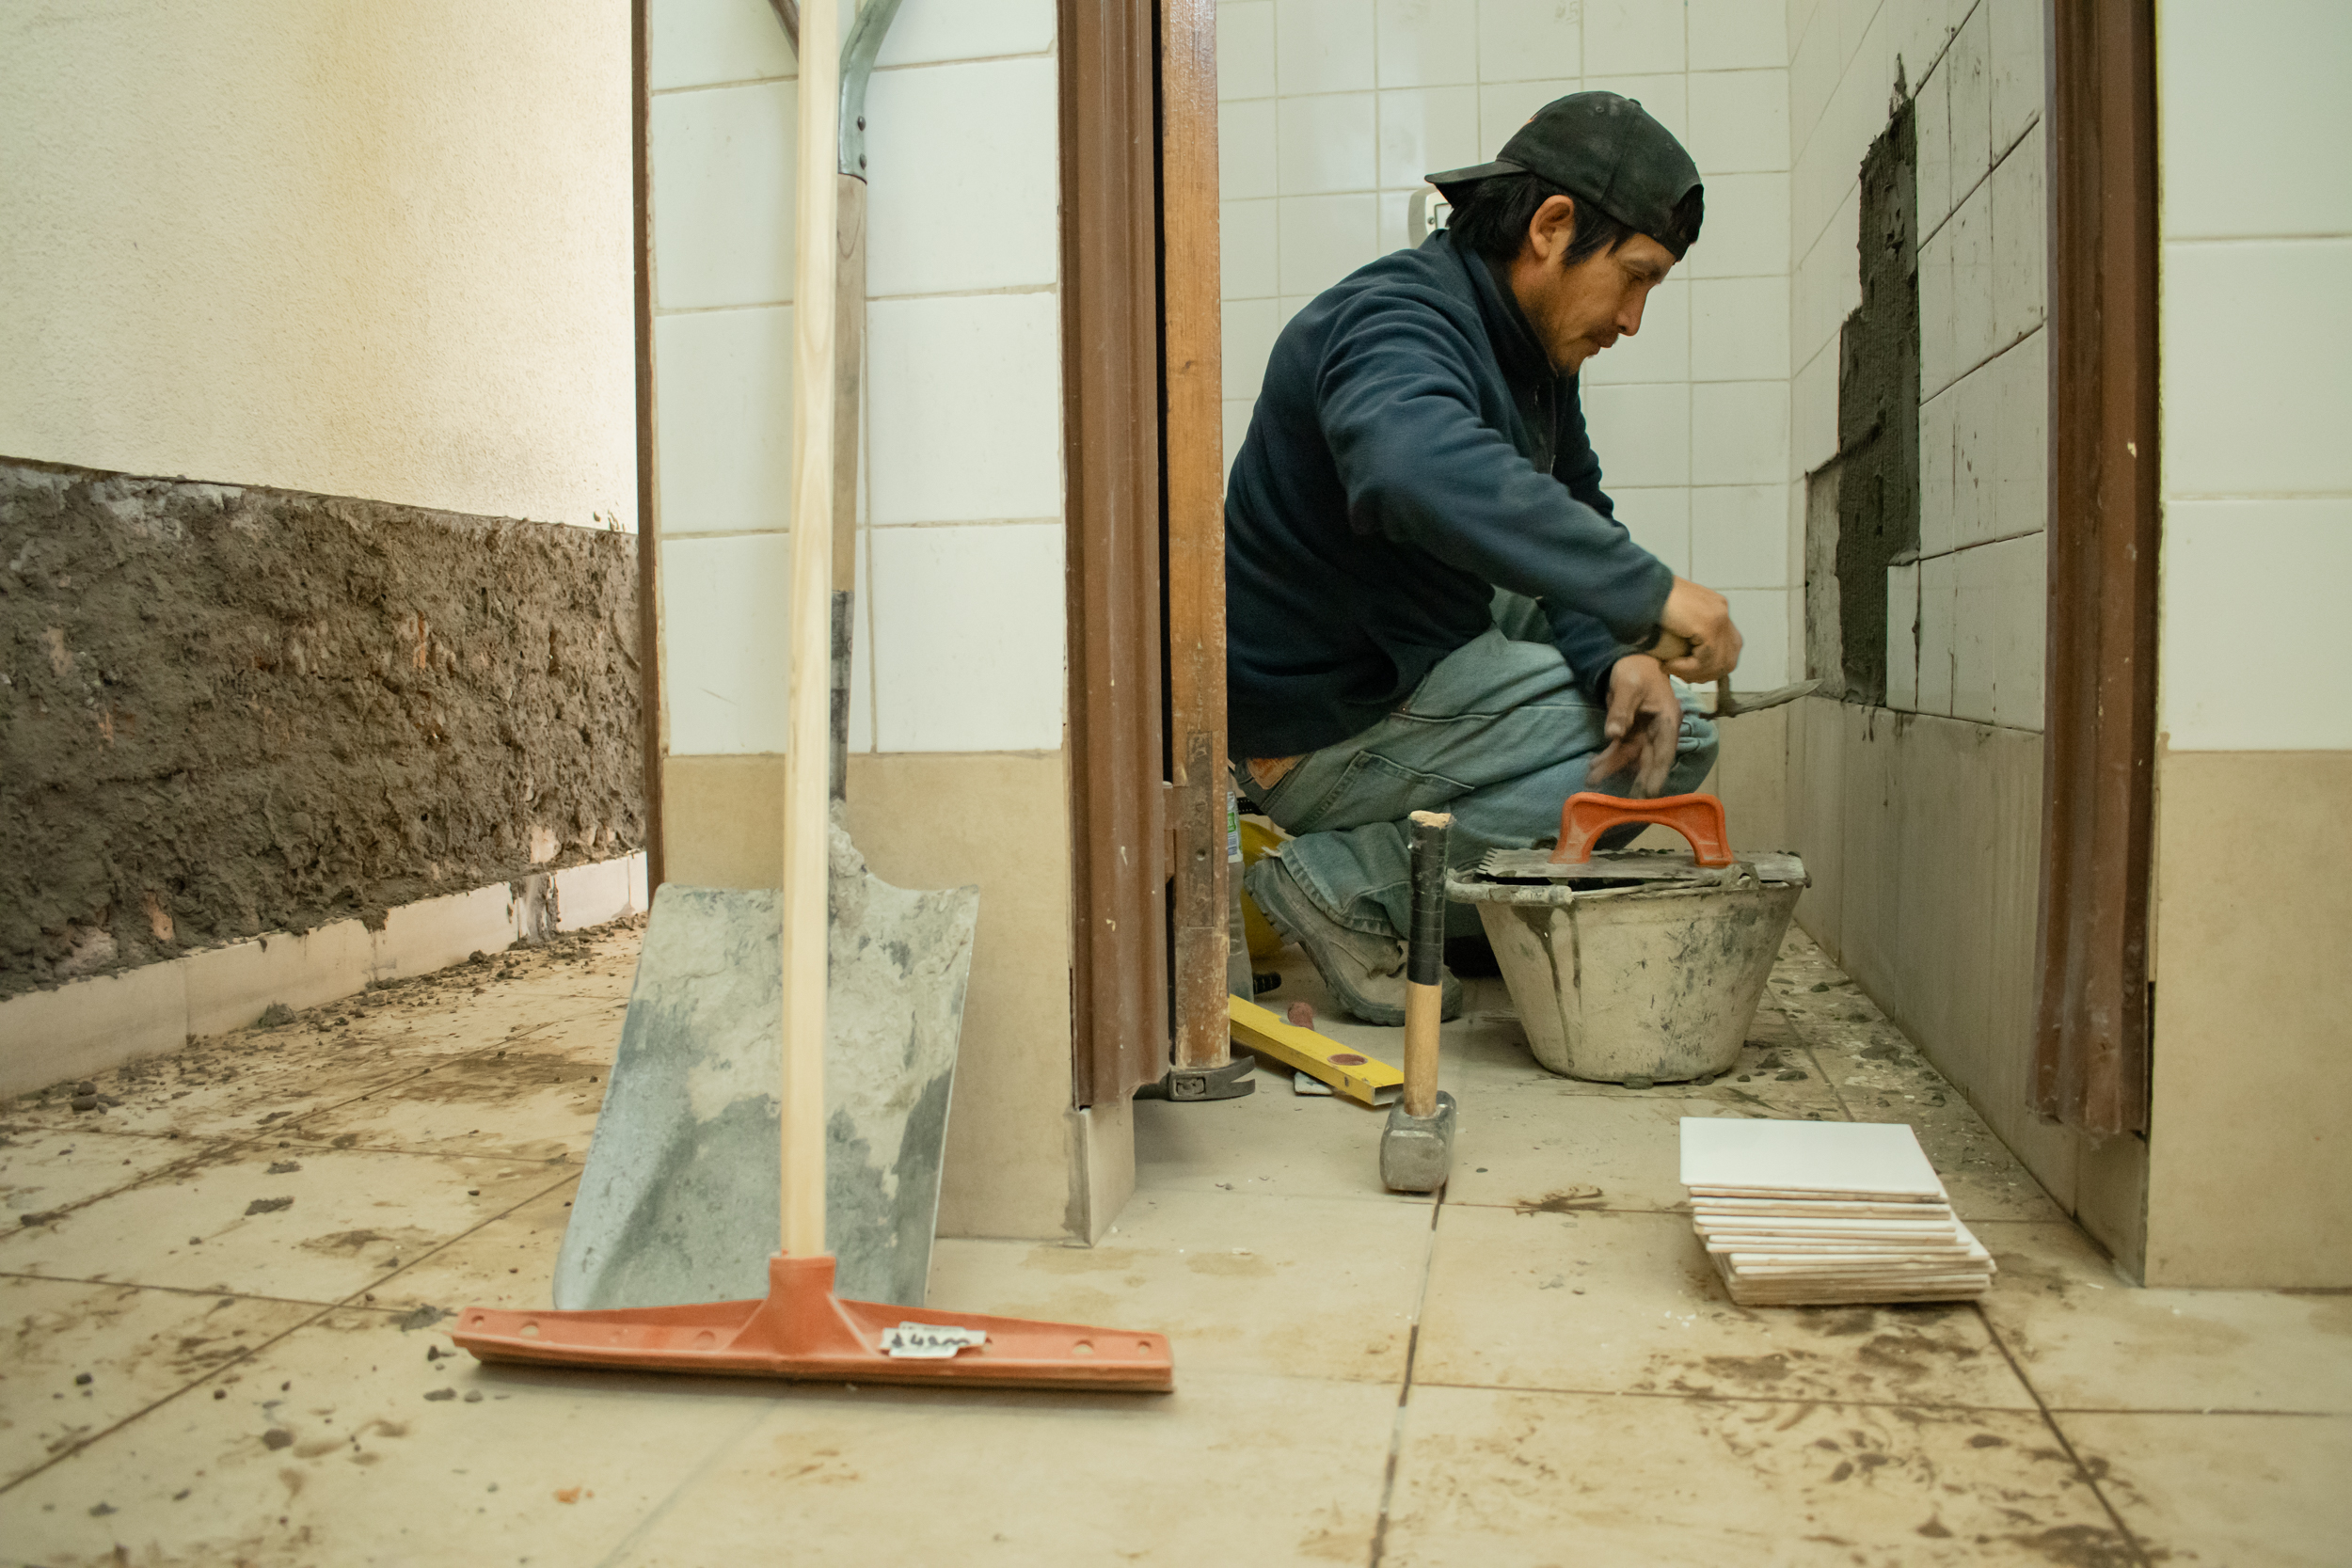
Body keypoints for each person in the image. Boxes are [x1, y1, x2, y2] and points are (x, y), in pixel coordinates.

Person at [1227, 91, 1746, 1025]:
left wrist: (1619, 653)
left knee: (1643, 702)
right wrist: (1648, 594)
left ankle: (1433, 903)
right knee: (1676, 745)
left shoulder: (1531, 355)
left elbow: (1567, 510)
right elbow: (1406, 465)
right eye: (1633, 277)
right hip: (1321, 715)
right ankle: (1343, 883)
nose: (1632, 318)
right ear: (1551, 227)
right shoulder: (1395, 318)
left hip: (1395, 645)